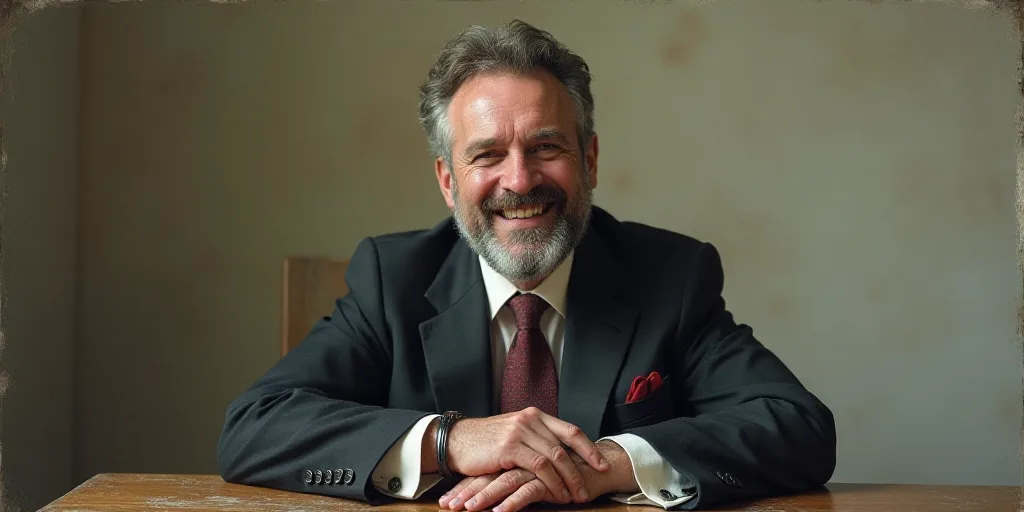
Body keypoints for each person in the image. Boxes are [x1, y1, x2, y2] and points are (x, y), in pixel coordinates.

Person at [216, 19, 836, 512]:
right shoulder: (392, 278)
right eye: (487, 155)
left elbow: (799, 428)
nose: (519, 180)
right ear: (448, 181)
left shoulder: (672, 276)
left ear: (589, 160)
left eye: (546, 146)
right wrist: (449, 439)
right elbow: (254, 427)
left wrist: (607, 464)